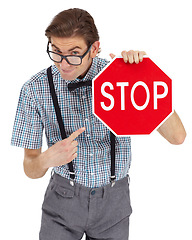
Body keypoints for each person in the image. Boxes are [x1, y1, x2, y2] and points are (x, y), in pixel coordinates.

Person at [11, 8, 186, 240]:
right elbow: (30, 167)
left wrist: (143, 77)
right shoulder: (34, 89)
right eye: (56, 52)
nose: (63, 64)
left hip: (114, 203)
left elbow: (177, 137)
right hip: (62, 201)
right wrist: (46, 159)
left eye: (74, 53)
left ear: (94, 48)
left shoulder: (122, 77)